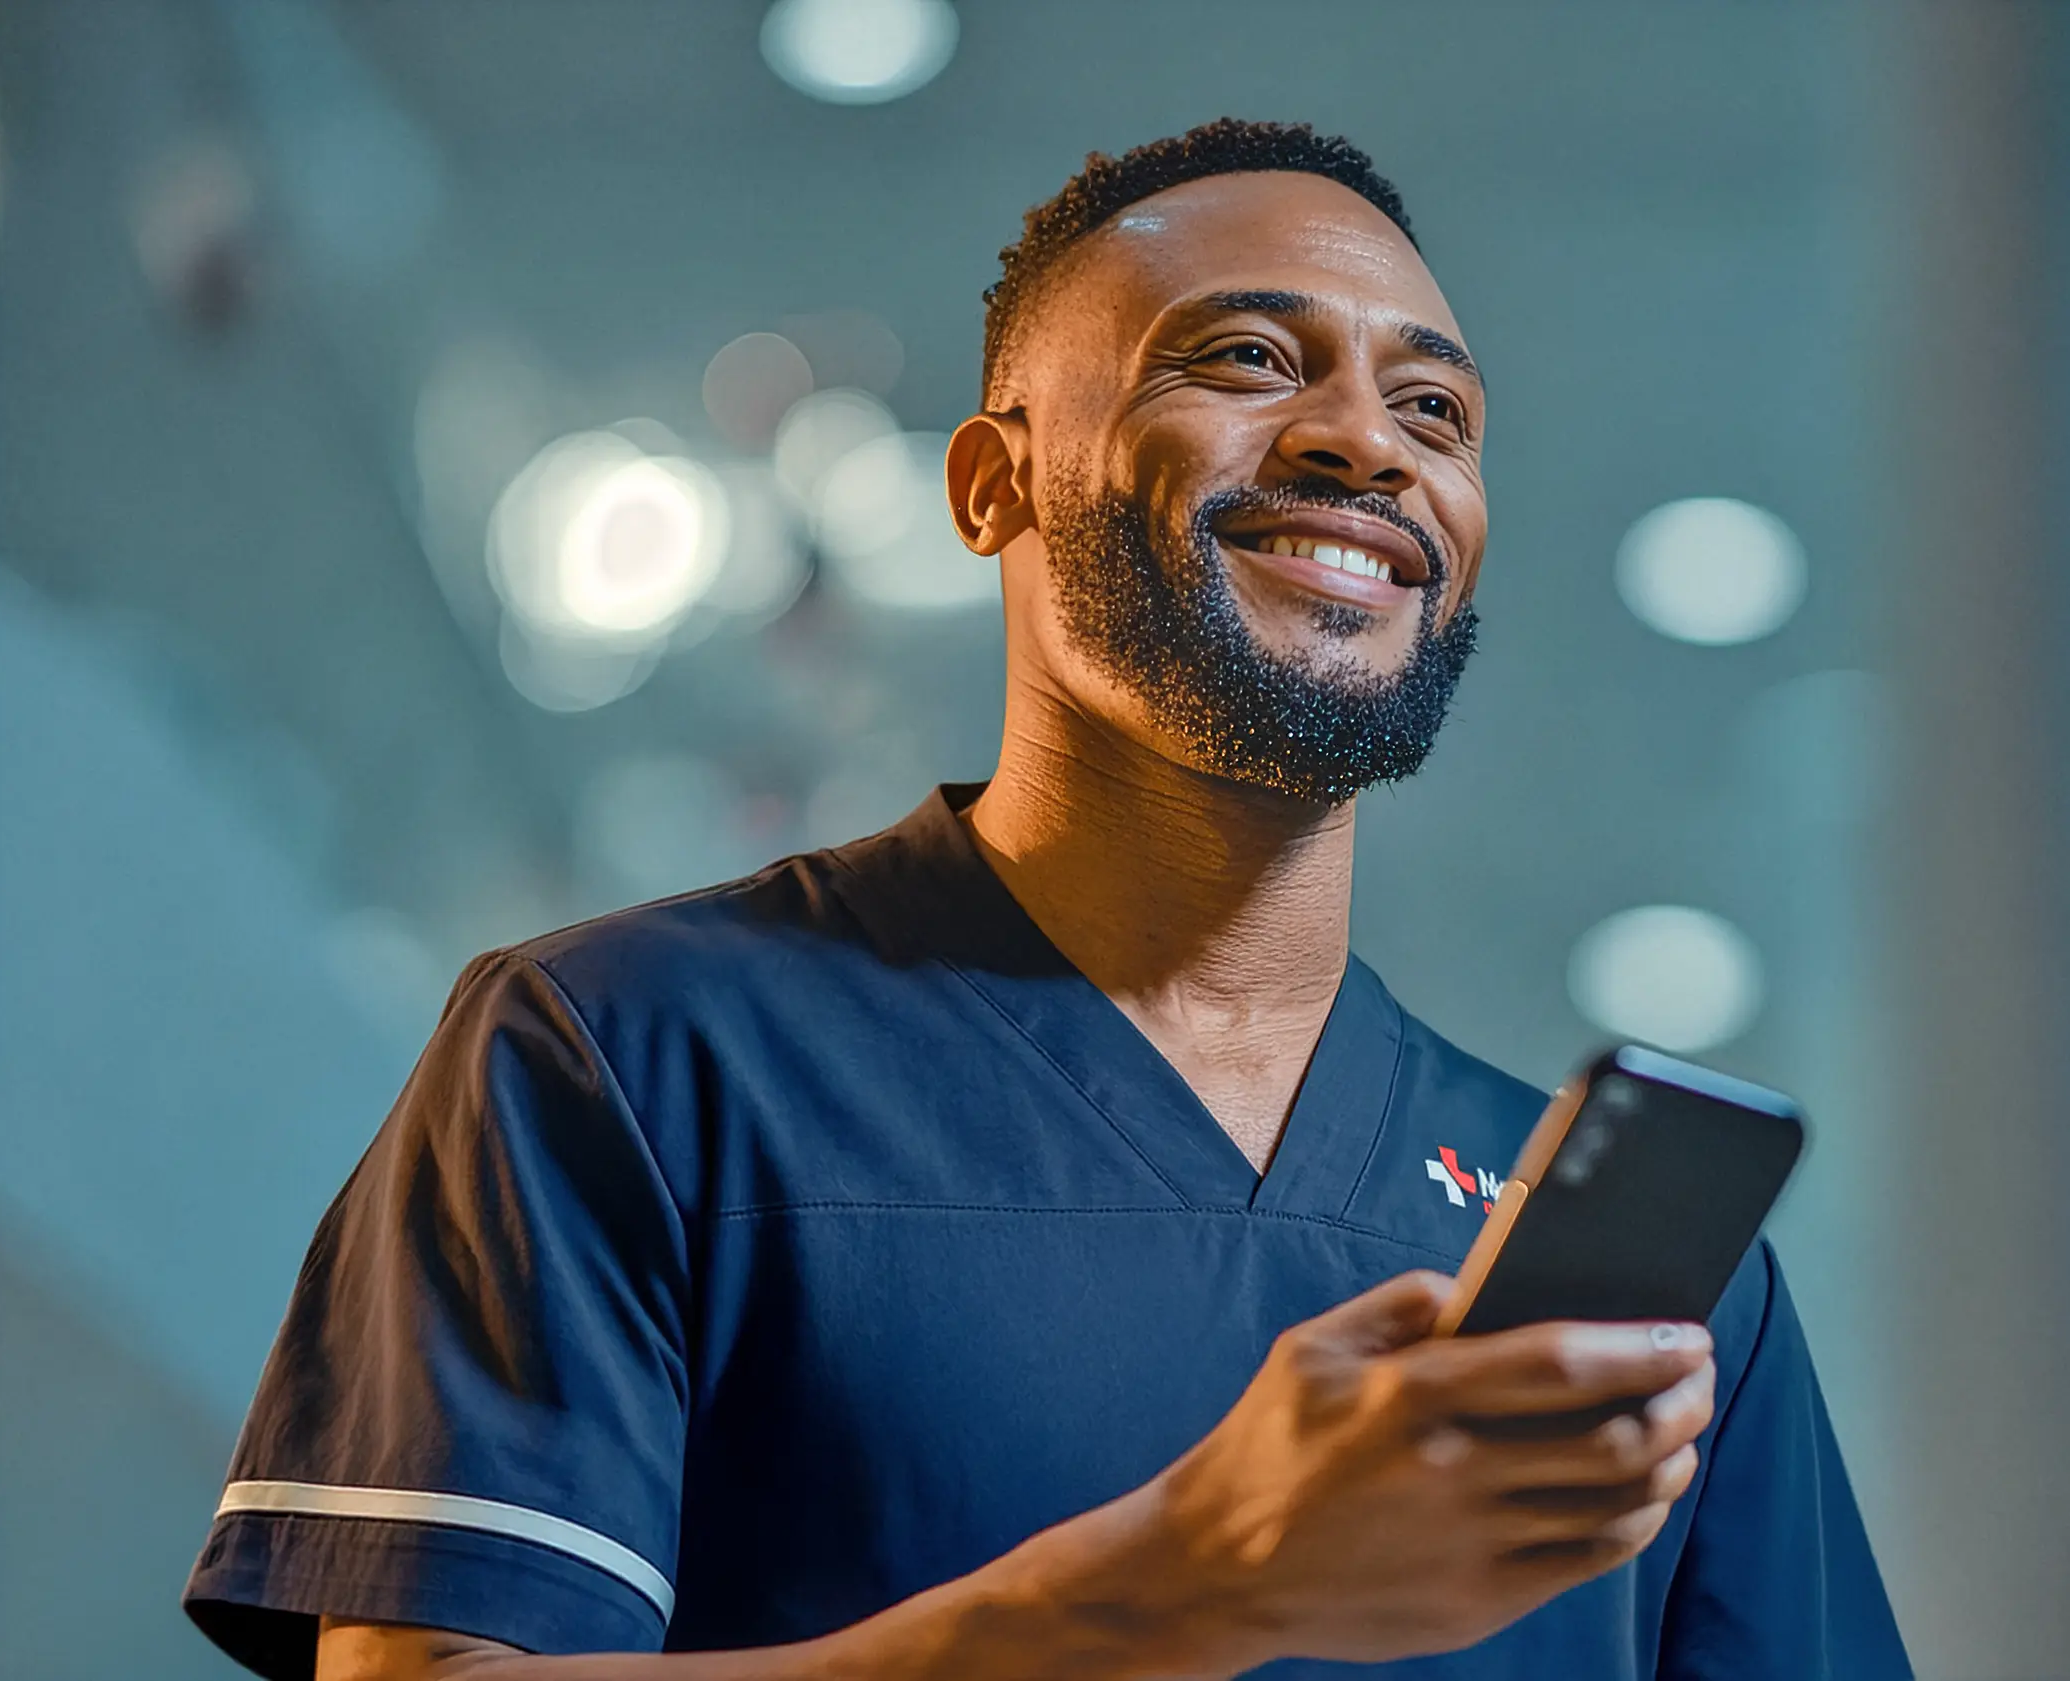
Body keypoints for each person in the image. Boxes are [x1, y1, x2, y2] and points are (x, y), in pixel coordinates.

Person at [184, 119, 1908, 1680]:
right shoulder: (629, 1062)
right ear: (991, 484)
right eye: (1247, 357)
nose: (1366, 444)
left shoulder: (1641, 1287)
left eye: (1436, 409)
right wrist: (1183, 1589)